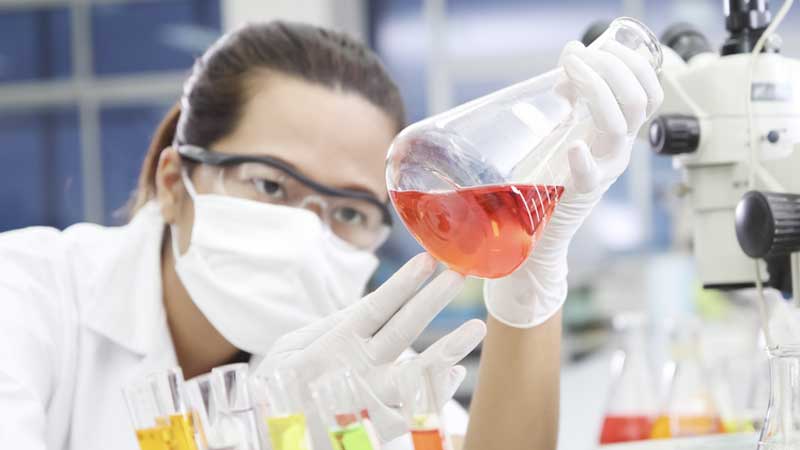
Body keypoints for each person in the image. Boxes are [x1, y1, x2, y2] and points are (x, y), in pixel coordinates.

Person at [0, 20, 661, 450]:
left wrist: (528, 298)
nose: (305, 231)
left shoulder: (350, 364)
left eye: (348, 210)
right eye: (270, 185)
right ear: (174, 181)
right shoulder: (28, 296)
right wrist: (254, 436)